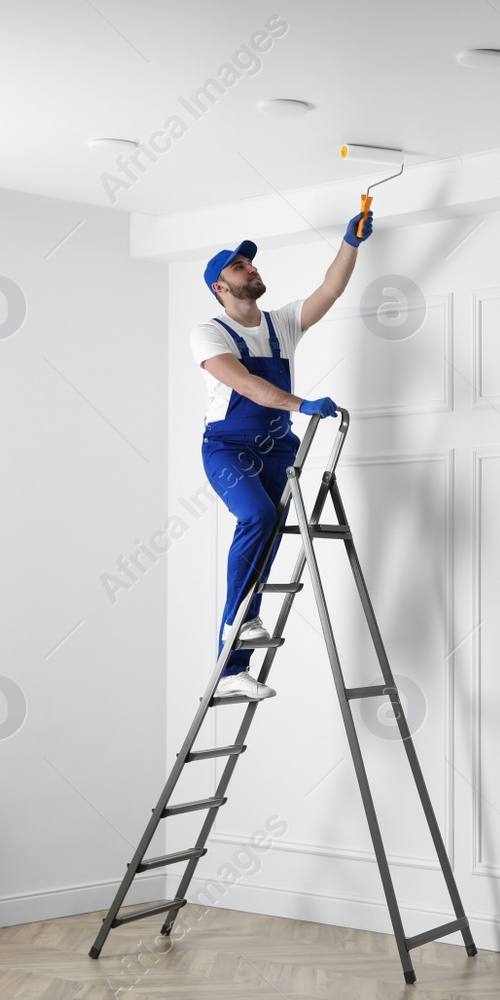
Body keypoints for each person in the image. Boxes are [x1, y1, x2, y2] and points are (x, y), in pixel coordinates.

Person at [188, 210, 372, 699]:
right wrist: (300, 404)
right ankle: (236, 621)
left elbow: (329, 291)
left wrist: (349, 242)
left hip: (277, 449)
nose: (250, 268)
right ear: (220, 289)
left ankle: (232, 672)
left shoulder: (281, 324)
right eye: (238, 267)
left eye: (250, 263)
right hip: (227, 448)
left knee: (267, 536)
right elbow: (246, 384)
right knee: (257, 516)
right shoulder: (209, 334)